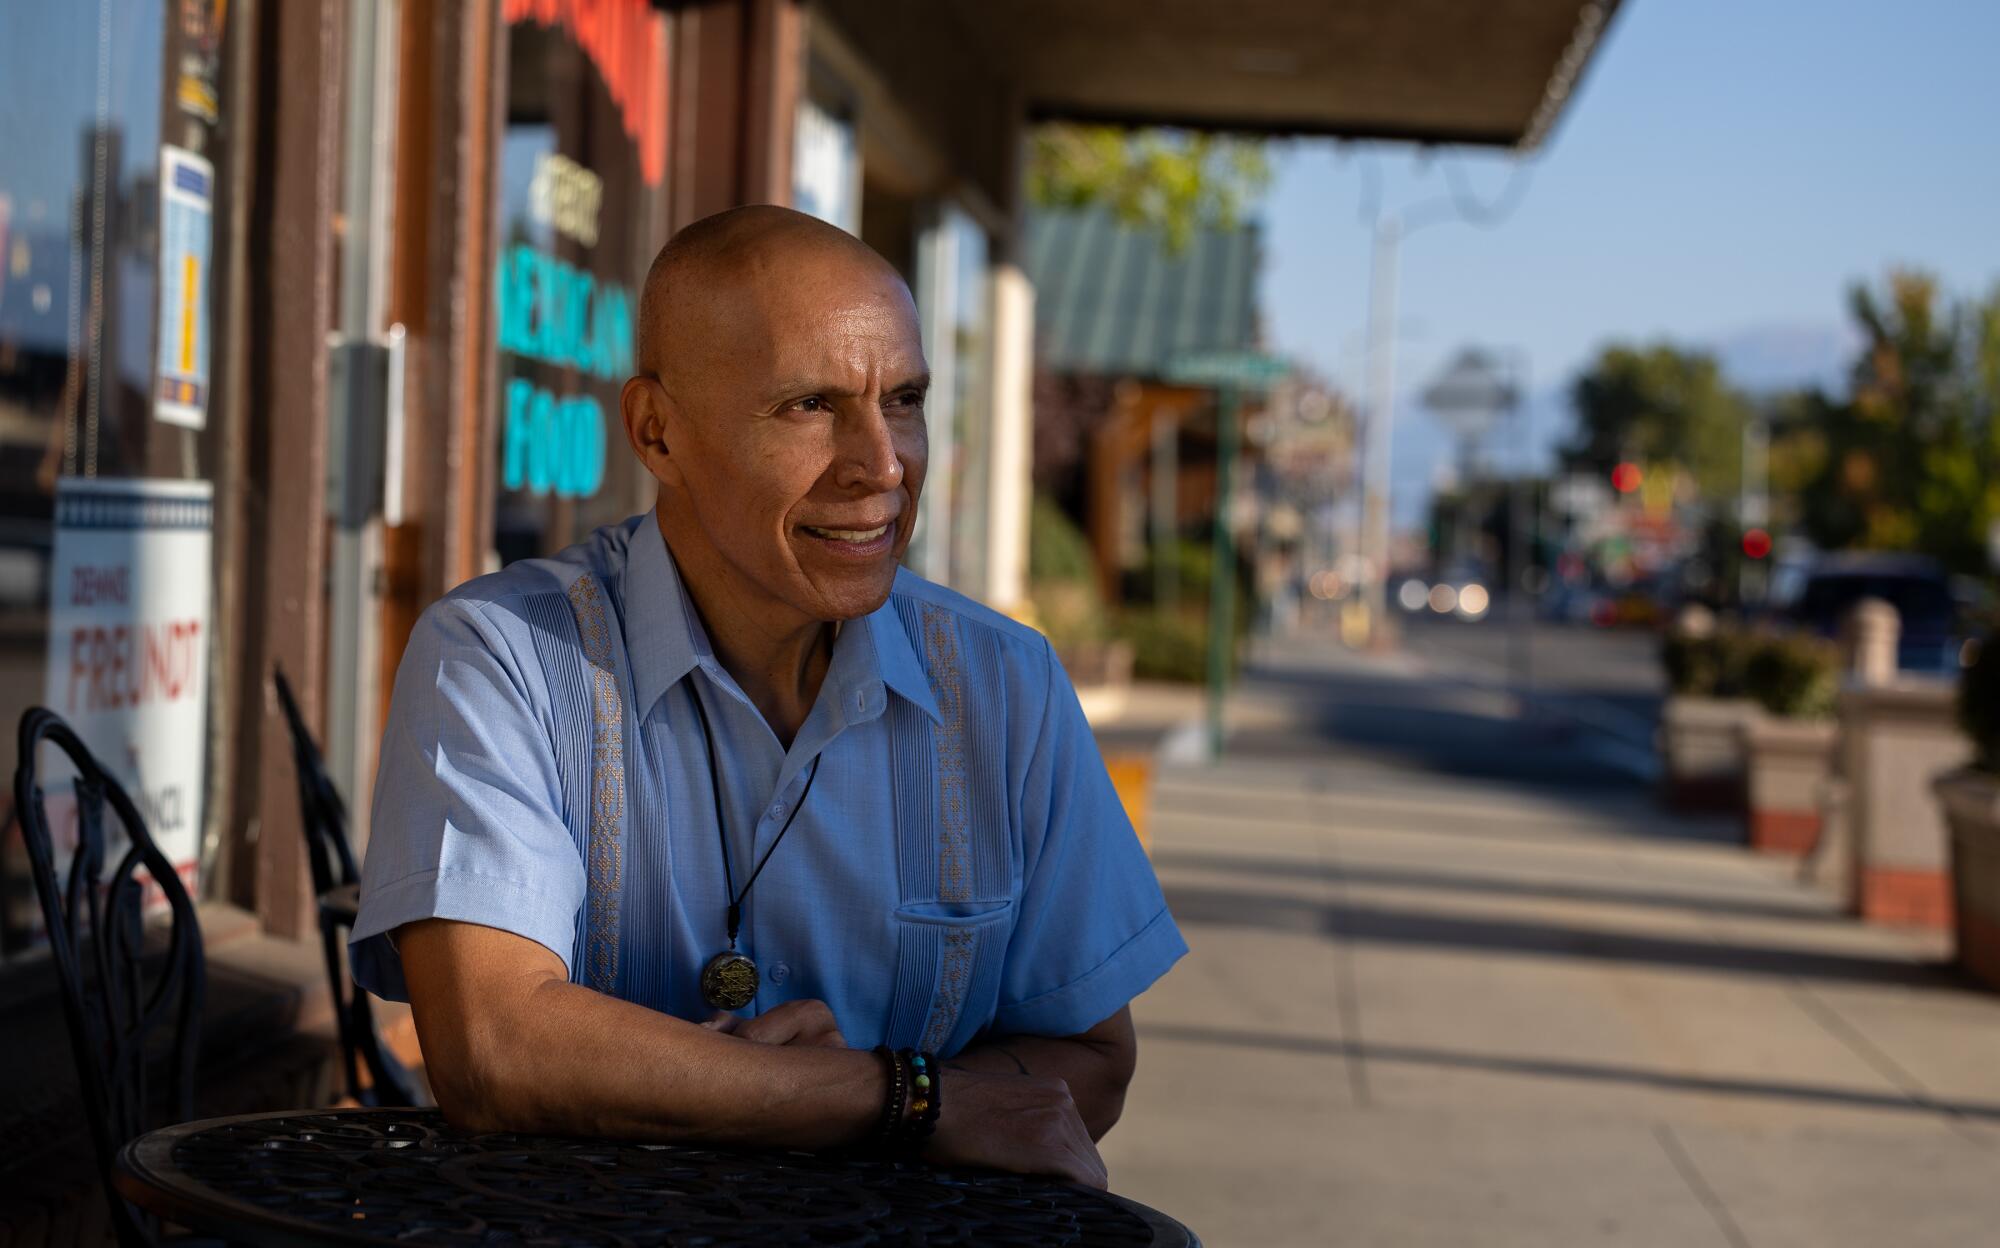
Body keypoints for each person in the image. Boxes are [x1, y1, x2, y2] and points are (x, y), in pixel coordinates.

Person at [350, 205, 1185, 1188]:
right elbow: (491, 1048)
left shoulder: (1006, 688)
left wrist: (758, 1096)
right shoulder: (505, 656)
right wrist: (897, 1099)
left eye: (904, 399)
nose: (882, 463)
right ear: (658, 434)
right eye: (810, 406)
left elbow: (1087, 1062)